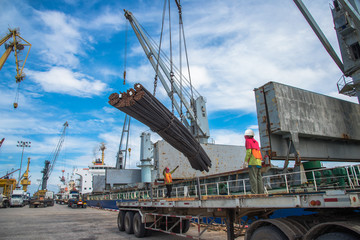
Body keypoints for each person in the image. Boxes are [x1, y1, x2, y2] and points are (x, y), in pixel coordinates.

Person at [244, 129, 264, 194]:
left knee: (253, 178)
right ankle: (261, 193)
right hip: (259, 162)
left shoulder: (248, 141)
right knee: (259, 178)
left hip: (252, 162)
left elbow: (249, 152)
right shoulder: (256, 142)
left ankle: (254, 193)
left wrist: (246, 161)